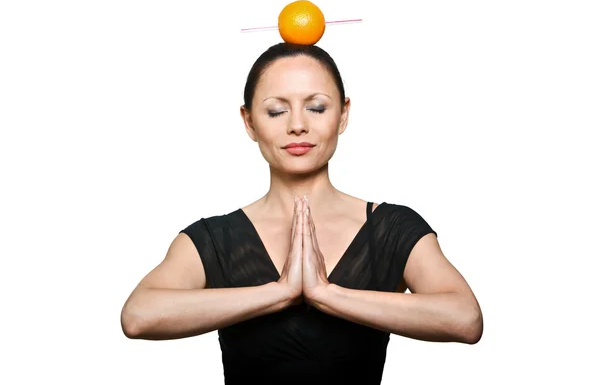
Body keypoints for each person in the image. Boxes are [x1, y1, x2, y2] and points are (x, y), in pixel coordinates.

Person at [120, 42, 483, 384]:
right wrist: (280, 292)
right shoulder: (213, 238)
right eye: (276, 110)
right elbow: (138, 316)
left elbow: (465, 320)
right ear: (249, 122)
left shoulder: (392, 228)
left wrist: (327, 294)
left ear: (343, 114)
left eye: (317, 107)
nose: (297, 124)